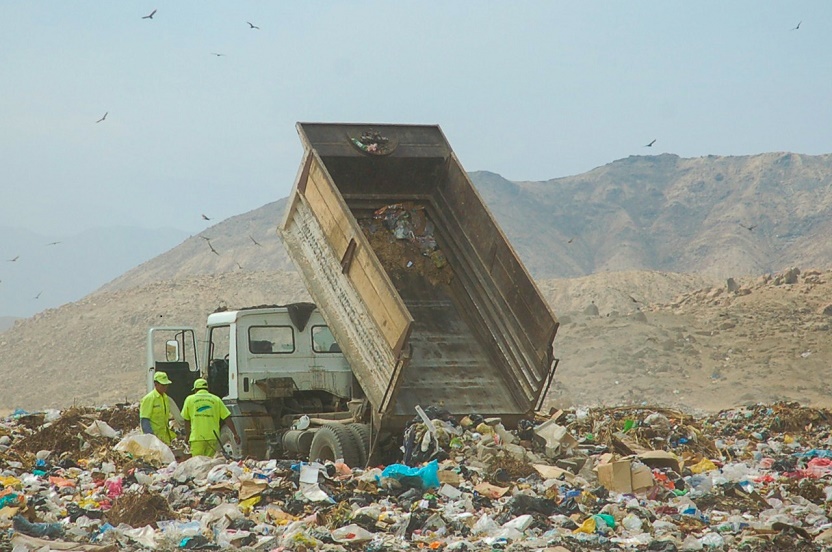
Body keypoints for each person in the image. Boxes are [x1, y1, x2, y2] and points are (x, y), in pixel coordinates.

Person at [181, 378, 241, 457]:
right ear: (207, 389)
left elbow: (186, 420)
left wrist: (187, 437)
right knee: (210, 464)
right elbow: (227, 418)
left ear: (195, 389)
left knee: (197, 464)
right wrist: (235, 434)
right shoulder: (216, 400)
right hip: (212, 438)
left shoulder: (189, 399)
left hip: (196, 438)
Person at [139, 371, 176, 444]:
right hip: (154, 439)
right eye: (163, 385)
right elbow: (144, 420)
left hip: (164, 438)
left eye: (166, 385)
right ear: (156, 384)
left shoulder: (165, 398)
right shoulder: (149, 398)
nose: (165, 387)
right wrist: (151, 439)